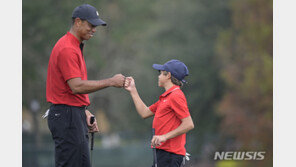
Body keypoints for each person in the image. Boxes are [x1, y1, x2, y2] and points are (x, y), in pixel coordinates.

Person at [46, 4, 125, 167]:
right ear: (78, 22)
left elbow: (70, 90)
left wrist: (83, 111)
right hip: (66, 117)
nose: (94, 29)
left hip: (72, 114)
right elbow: (77, 86)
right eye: (91, 25)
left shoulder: (75, 46)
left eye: (95, 26)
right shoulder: (67, 48)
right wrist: (111, 81)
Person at [124, 59, 195, 167]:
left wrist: (164, 137)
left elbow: (188, 124)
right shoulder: (167, 97)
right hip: (162, 154)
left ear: (168, 75)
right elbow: (144, 112)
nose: (158, 76)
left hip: (171, 155)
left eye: (161, 73)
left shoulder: (176, 95)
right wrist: (133, 90)